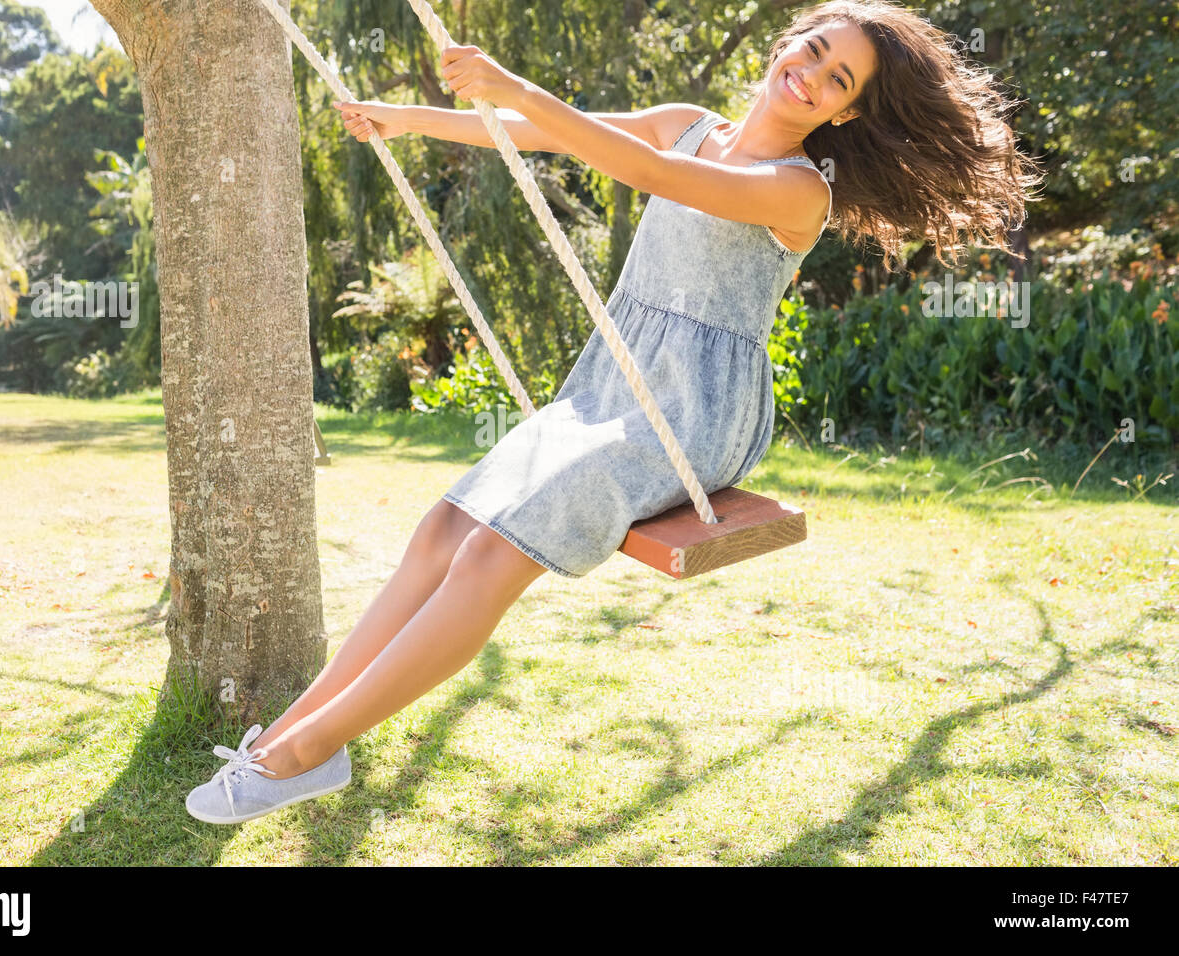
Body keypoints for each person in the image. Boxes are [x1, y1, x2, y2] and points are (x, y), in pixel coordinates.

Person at [186, 0, 1041, 824]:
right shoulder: (688, 120)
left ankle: (309, 755)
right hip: (608, 388)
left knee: (492, 550)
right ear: (792, 41)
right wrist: (408, 120)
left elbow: (648, 175)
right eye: (814, 49)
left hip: (692, 412)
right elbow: (531, 134)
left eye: (839, 79)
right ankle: (295, 732)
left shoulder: (796, 193)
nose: (811, 74)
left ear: (847, 114)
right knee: (442, 529)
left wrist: (515, 84)